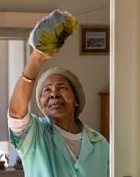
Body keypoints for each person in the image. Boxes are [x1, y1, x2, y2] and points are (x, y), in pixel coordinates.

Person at [7, 49, 109, 177]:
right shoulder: (34, 135)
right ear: (42, 104)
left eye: (62, 88)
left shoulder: (99, 143)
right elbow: (16, 113)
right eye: (47, 90)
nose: (54, 94)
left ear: (76, 99)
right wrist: (35, 60)